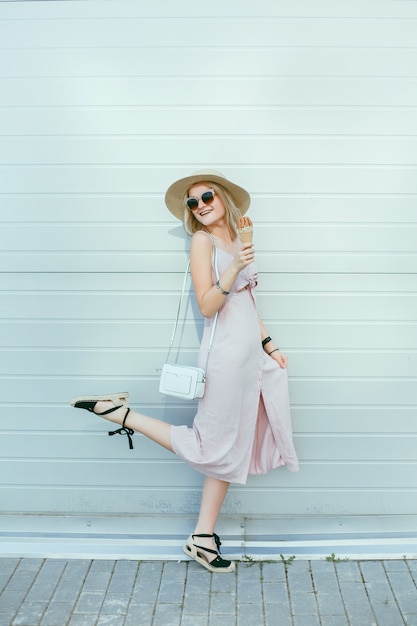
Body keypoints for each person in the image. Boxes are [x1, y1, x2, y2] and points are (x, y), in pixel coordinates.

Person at [70, 169, 299, 573]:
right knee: (213, 445)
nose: (201, 205)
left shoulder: (236, 238)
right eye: (193, 202)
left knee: (230, 448)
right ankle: (120, 414)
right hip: (226, 359)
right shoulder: (202, 241)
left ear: (223, 197)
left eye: (207, 196)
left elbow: (249, 301)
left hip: (251, 358)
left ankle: (202, 537)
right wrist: (236, 265)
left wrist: (270, 345)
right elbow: (209, 305)